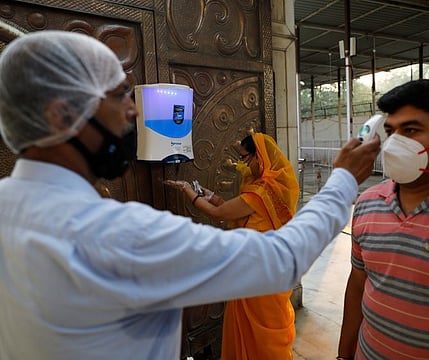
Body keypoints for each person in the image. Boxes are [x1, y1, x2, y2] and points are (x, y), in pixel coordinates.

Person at [0, 30, 380, 360]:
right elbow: (281, 261)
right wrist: (344, 179)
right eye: (119, 96)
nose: (133, 111)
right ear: (61, 115)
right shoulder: (118, 235)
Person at [338, 78, 429, 360]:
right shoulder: (367, 203)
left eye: (411, 130)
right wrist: (344, 355)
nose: (393, 144)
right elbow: (357, 285)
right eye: (391, 132)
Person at [166, 132, 299, 359]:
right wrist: (212, 196)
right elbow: (236, 210)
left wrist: (187, 190)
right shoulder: (270, 187)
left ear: (260, 157)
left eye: (246, 158)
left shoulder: (261, 191)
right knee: (259, 329)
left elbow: (220, 213)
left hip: (258, 273)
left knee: (260, 334)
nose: (243, 164)